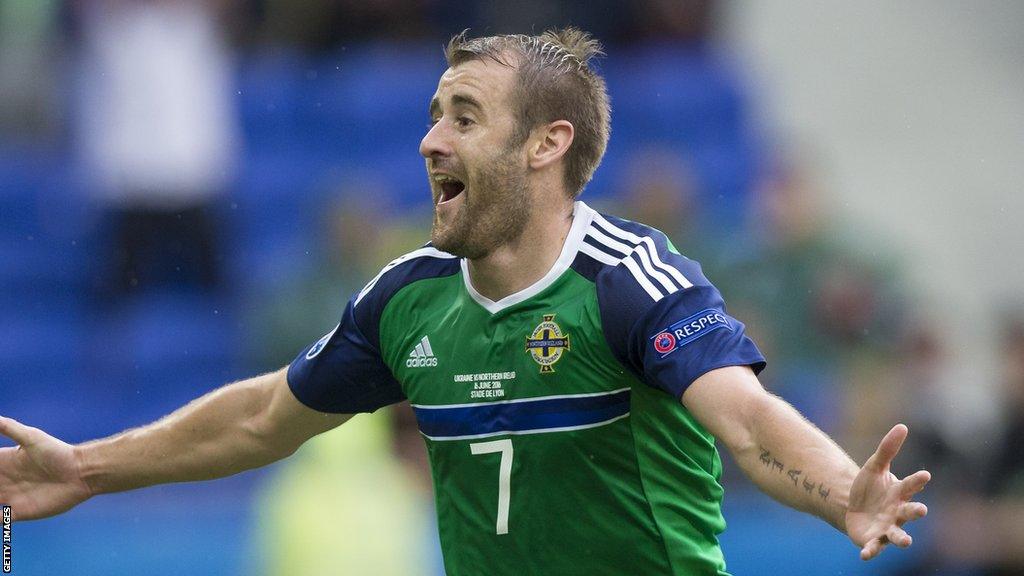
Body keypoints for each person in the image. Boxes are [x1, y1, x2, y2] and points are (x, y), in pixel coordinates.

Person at [0, 29, 930, 575]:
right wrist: (85, 469)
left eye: (464, 117)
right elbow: (258, 421)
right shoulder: (407, 299)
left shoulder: (629, 278)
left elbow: (748, 420)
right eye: (435, 112)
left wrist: (837, 492)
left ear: (545, 145)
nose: (428, 141)